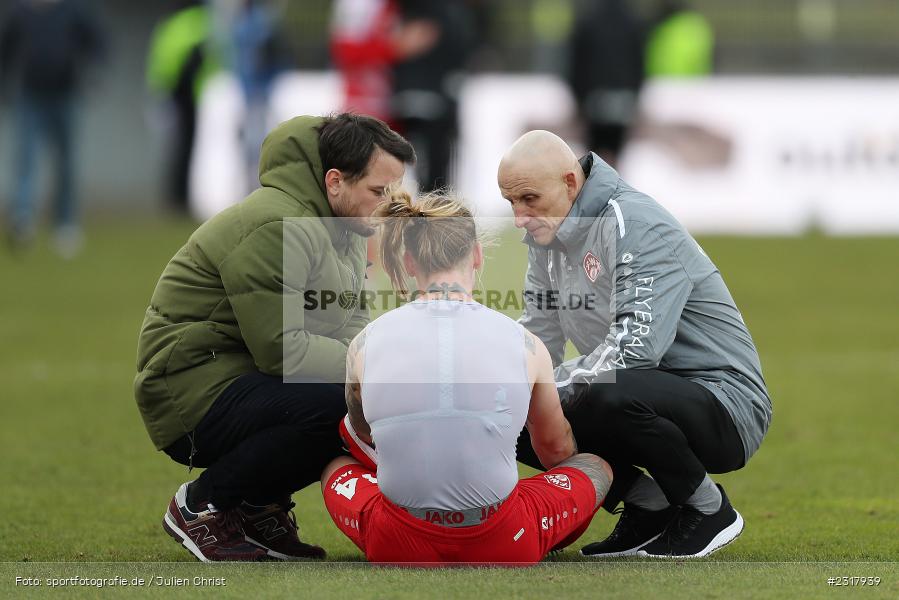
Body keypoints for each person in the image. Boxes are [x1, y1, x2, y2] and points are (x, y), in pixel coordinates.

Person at [134, 113, 415, 562]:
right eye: (378, 192)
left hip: (239, 378)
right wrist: (377, 371)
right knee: (343, 404)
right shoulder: (276, 224)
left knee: (364, 398)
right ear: (335, 180)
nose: (385, 205)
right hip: (189, 392)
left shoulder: (341, 224)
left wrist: (390, 367)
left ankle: (255, 509)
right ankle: (202, 505)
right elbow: (284, 352)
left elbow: (352, 332)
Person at [497, 130, 771, 558]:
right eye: (510, 202)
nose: (519, 217)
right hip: (640, 390)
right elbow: (538, 338)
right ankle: (648, 504)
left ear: (570, 182)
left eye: (529, 199)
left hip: (725, 405)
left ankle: (709, 510)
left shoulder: (633, 222)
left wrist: (546, 389)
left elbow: (636, 348)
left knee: (604, 391)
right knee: (502, 407)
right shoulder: (545, 239)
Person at [321, 188, 613, 565]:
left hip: (395, 539)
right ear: (476, 254)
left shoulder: (363, 344)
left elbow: (360, 436)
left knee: (336, 467)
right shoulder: (526, 344)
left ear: (409, 263)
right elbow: (556, 450)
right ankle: (540, 537)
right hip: (505, 537)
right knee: (595, 467)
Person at [0, 0, 105, 256]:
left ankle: (65, 224)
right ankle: (23, 219)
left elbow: (98, 43)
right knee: (26, 159)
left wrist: (92, 71)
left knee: (66, 162)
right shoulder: (19, 12)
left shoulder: (74, 10)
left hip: (65, 96)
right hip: (30, 96)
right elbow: (5, 51)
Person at [146, 0, 218, 213]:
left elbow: (161, 63)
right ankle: (181, 198)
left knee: (176, 148)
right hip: (191, 96)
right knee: (187, 149)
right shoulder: (201, 22)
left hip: (170, 94)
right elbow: (204, 59)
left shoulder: (168, 24)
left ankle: (175, 197)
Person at [567, 0, 645, 167]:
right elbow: (639, 64)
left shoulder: (587, 19)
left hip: (594, 100)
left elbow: (576, 64)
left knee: (593, 161)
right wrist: (635, 95)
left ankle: (596, 189)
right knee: (614, 159)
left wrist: (579, 100)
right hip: (624, 99)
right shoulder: (633, 20)